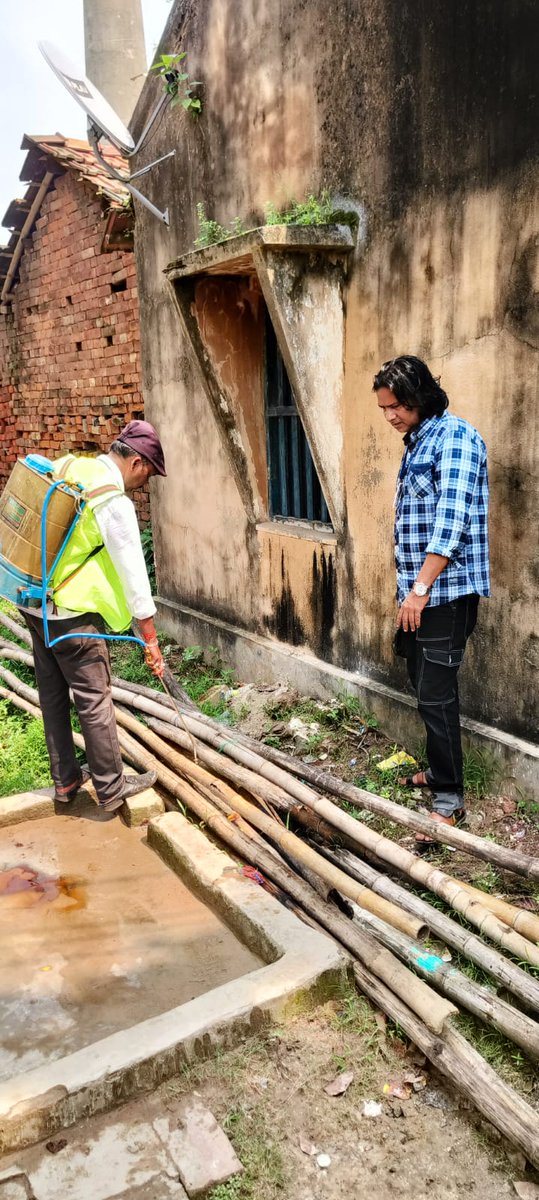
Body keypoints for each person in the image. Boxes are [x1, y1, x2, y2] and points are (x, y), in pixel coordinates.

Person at [21, 420, 167, 814]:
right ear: (135, 462)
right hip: (72, 613)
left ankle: (66, 781)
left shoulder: (70, 466)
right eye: (148, 474)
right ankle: (112, 788)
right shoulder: (112, 501)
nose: (145, 482)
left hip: (33, 601)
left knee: (52, 695)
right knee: (93, 698)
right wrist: (150, 640)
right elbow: (135, 577)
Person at [372, 356, 490, 842]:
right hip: (418, 594)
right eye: (384, 408)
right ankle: (440, 772)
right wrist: (410, 591)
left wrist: (419, 591)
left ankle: (450, 800)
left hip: (444, 594)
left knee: (437, 694)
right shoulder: (420, 440)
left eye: (397, 406)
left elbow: (451, 521)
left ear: (419, 396)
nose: (390, 416)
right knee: (423, 685)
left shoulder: (455, 437)